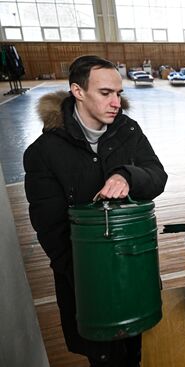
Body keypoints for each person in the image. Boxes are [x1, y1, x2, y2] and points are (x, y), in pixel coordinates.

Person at [24, 55, 168, 366]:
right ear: (77, 91)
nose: (116, 102)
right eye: (105, 93)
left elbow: (157, 176)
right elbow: (50, 231)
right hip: (86, 281)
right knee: (104, 357)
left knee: (137, 350)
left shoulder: (128, 130)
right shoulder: (43, 153)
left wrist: (126, 175)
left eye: (119, 93)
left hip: (134, 270)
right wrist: (97, 283)